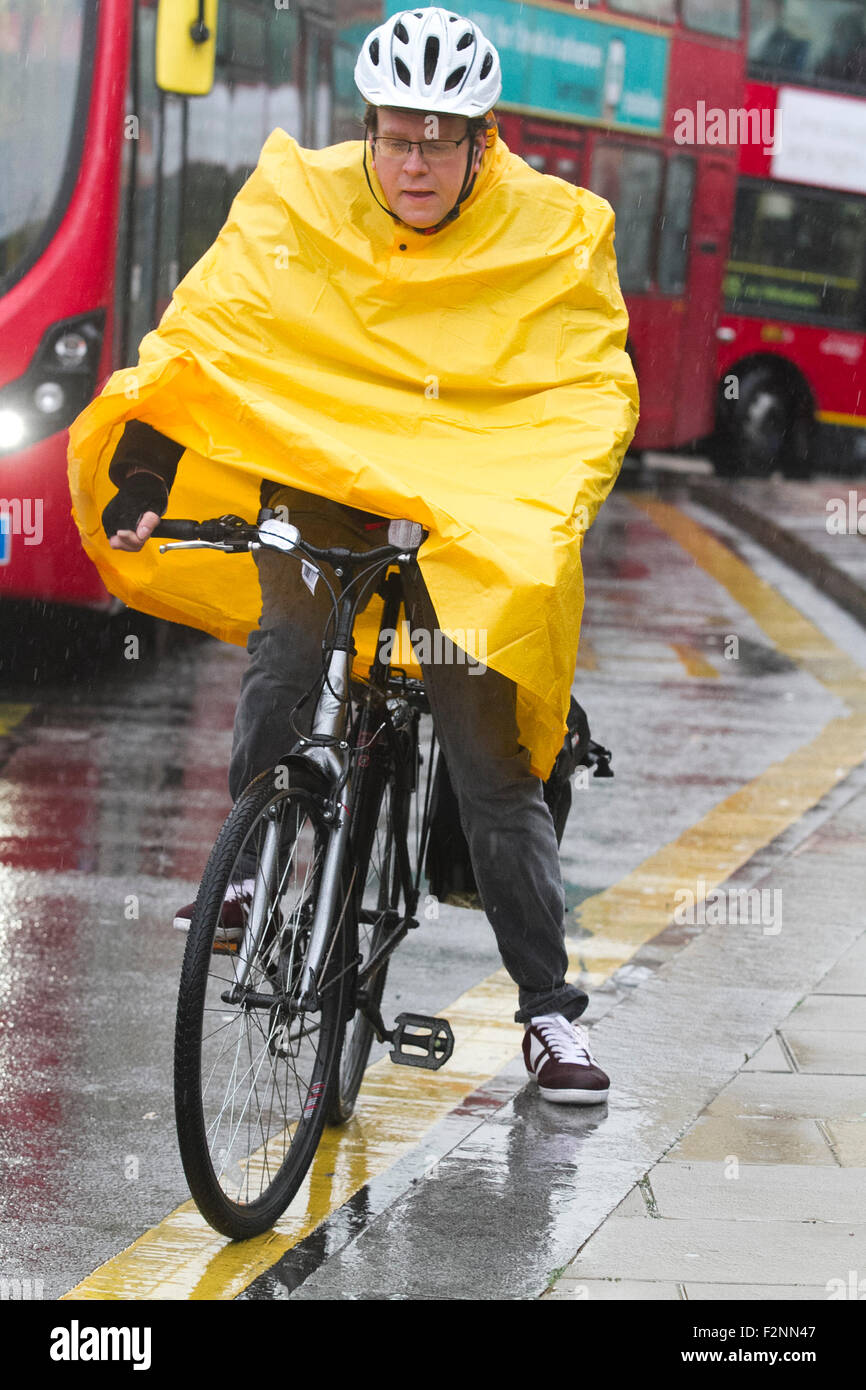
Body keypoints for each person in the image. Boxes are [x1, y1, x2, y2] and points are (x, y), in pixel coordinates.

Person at [83, 8, 638, 1106]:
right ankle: (249, 864)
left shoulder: (556, 229)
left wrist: (536, 522)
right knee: (285, 654)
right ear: (367, 130)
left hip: (466, 519)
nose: (414, 160)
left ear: (485, 140)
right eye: (395, 134)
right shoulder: (301, 199)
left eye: (440, 137)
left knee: (489, 767)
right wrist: (144, 478)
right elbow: (210, 334)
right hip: (329, 490)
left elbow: (586, 393)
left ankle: (547, 1014)